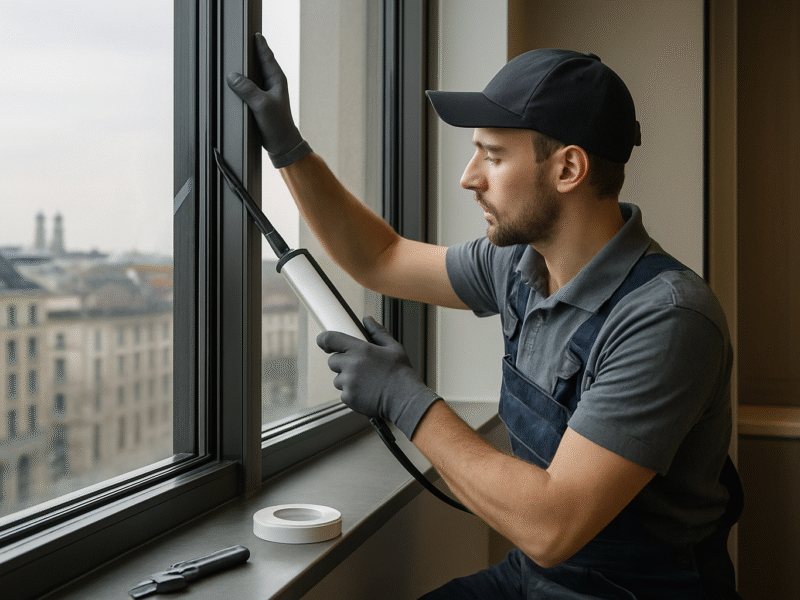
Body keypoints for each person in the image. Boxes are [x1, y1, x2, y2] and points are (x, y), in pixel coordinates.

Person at [227, 33, 743, 600]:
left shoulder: (666, 320)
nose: (469, 177)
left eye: (493, 156)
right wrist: (288, 149)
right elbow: (381, 257)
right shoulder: (519, 264)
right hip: (535, 581)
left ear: (568, 168)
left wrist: (403, 398)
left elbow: (551, 525)